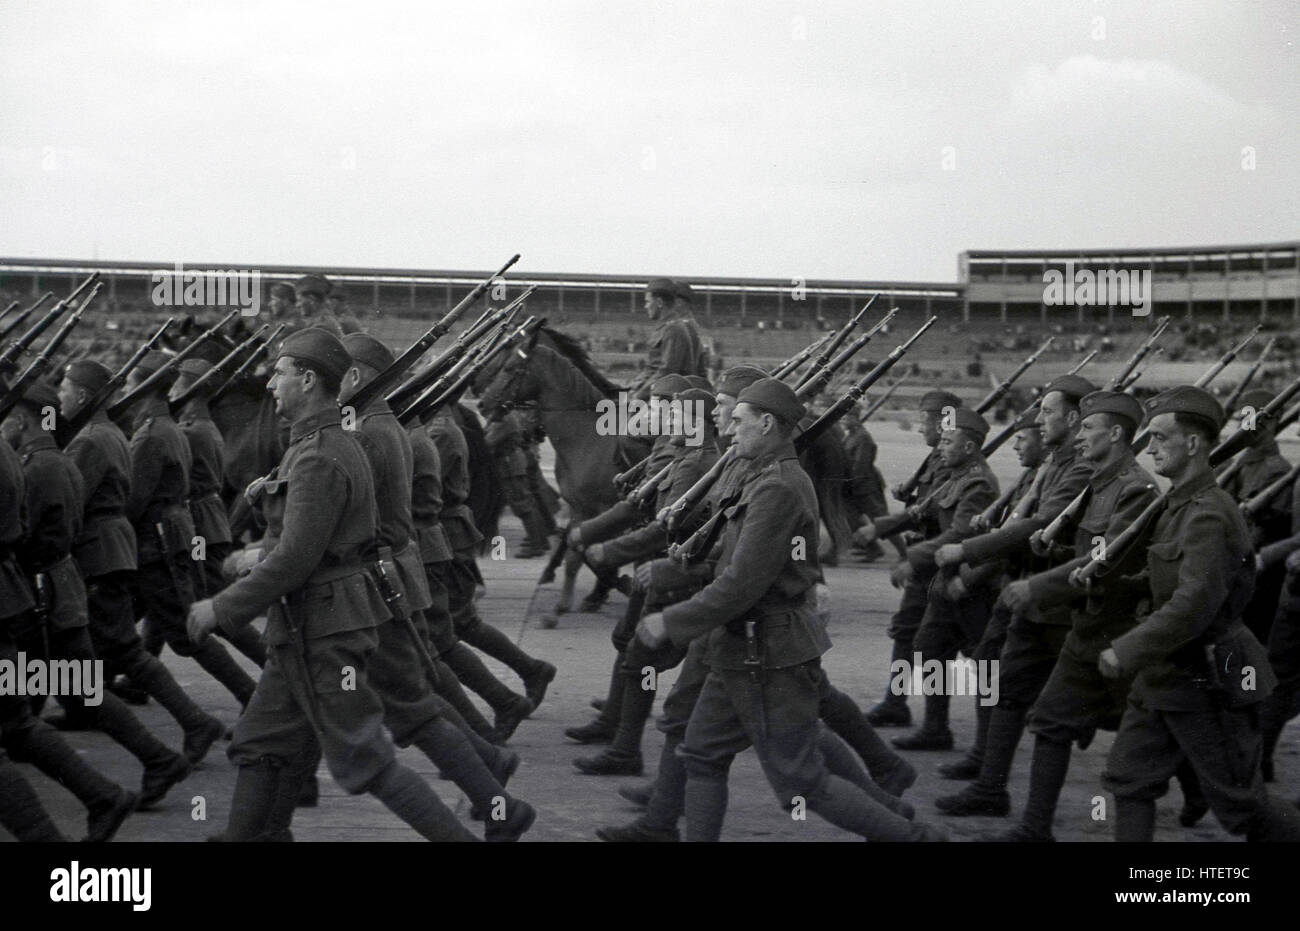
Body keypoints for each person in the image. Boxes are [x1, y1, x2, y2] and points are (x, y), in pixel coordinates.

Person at [187, 327, 479, 842]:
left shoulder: (321, 453)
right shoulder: (325, 443)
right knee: (261, 743)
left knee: (365, 761)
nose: (270, 384)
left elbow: (296, 558)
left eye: (278, 374)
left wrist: (221, 607)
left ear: (306, 379)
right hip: (308, 627)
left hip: (321, 631)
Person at [637, 378, 945, 842]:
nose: (729, 429)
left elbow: (742, 583)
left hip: (767, 653)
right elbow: (731, 559)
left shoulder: (777, 488)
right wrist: (679, 567)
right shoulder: (760, 477)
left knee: (802, 782)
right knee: (700, 755)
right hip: (739, 649)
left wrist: (671, 621)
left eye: (738, 421)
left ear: (766, 424)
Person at [1093, 386, 1300, 842]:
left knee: (1242, 807)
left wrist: (1127, 649)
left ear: (1192, 444)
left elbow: (1195, 604)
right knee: (1130, 779)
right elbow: (1168, 578)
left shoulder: (1208, 513)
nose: (1149, 448)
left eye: (1160, 438)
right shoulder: (1178, 504)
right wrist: (1111, 584)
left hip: (1208, 678)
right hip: (1164, 675)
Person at [57, 359, 227, 764]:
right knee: (117, 641)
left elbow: (77, 502)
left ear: (81, 395)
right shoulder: (114, 433)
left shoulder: (97, 440)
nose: (59, 395)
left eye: (64, 388)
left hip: (118, 548)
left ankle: (190, 727)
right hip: (131, 545)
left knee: (143, 642)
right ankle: (85, 708)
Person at [863, 389, 962, 727]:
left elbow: (946, 521)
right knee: (914, 635)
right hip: (930, 561)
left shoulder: (959, 467)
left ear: (944, 421)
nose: (921, 428)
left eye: (925, 420)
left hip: (940, 563)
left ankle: (971, 724)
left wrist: (884, 530)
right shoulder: (938, 458)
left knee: (970, 652)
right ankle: (906, 707)